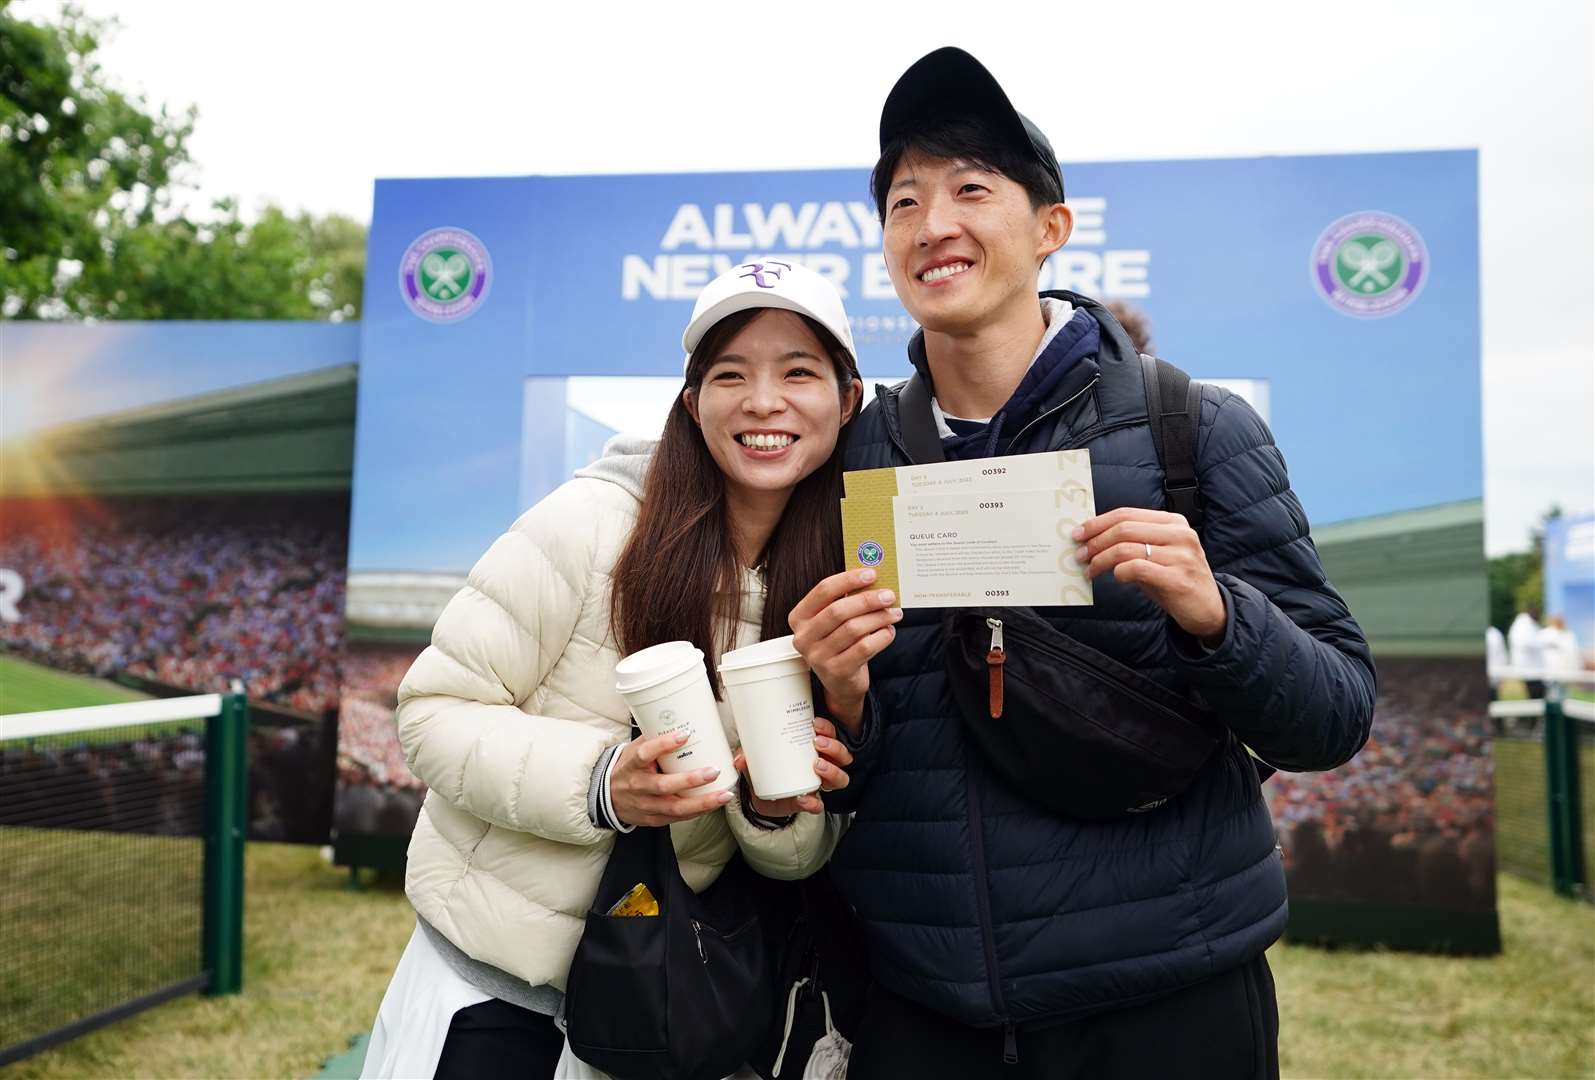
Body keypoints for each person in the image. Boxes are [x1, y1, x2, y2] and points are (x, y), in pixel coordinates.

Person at [794, 47, 1377, 1078]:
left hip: (1164, 1004)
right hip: (925, 1017)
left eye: (970, 189)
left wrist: (1217, 614)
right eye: (902, 201)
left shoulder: (1187, 428)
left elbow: (1333, 713)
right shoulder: (855, 455)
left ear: (1049, 228)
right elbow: (856, 771)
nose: (932, 224)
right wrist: (837, 698)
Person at [360, 262, 866, 1080]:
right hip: (492, 1000)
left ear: (846, 401)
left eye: (798, 372)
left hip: (663, 1014)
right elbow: (431, 713)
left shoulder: (836, 582)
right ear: (691, 400)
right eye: (729, 374)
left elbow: (791, 861)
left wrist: (774, 811)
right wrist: (605, 783)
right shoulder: (593, 522)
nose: (763, 402)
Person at [1509, 607, 1545, 700]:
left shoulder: (1528, 625)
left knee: (1537, 695)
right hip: (1528, 668)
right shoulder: (1523, 625)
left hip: (1532, 668)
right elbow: (1525, 642)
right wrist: (1540, 643)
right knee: (1534, 695)